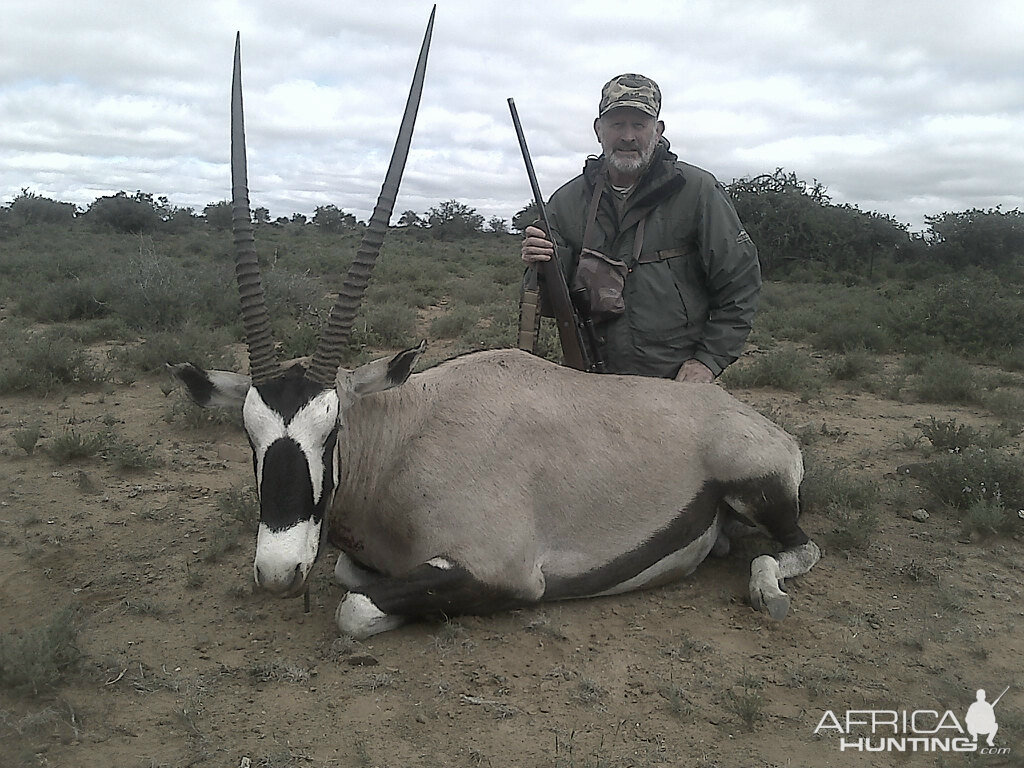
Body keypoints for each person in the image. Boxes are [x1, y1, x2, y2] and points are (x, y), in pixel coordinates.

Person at [520, 73, 760, 383]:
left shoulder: (698, 191)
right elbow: (551, 302)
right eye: (617, 124)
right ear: (598, 130)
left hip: (674, 382)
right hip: (592, 378)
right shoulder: (565, 201)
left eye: (639, 125)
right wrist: (537, 265)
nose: (628, 137)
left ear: (657, 131)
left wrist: (708, 360)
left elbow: (741, 283)